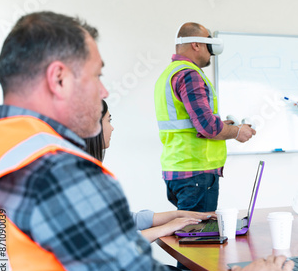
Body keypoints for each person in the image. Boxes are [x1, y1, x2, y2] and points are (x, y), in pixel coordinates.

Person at [0, 11, 293, 271]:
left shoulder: (4, 146)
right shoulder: (56, 170)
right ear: (59, 79)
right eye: (97, 75)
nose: (104, 92)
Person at [154, 22, 256, 212]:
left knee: (186, 236)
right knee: (198, 237)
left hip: (178, 170)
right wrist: (238, 132)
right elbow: (208, 127)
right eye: (209, 46)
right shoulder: (189, 75)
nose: (211, 53)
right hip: (196, 173)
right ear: (196, 45)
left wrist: (222, 125)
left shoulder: (170, 73)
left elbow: (192, 122)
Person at [84, 100, 216, 243]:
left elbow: (125, 219)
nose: (112, 128)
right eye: (108, 121)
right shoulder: (81, 181)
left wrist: (180, 215)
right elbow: (114, 245)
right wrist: (166, 228)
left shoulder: (90, 173)